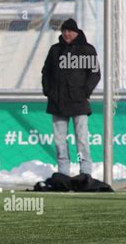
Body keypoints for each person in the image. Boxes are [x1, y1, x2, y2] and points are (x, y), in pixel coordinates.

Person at [41, 18, 101, 176]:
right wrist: (49, 91)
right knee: (59, 140)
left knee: (81, 139)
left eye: (69, 31)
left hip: (79, 102)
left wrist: (84, 92)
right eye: (64, 31)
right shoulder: (55, 50)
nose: (66, 34)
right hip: (57, 102)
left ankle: (85, 171)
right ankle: (63, 172)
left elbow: (95, 74)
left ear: (76, 32)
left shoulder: (87, 49)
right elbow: (45, 72)